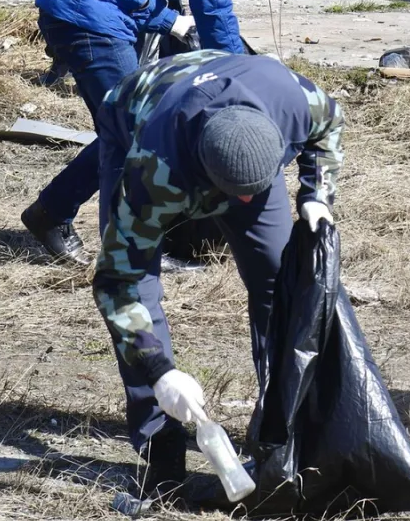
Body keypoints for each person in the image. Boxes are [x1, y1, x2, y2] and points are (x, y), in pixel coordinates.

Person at [89, 50, 342, 502]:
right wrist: (160, 370)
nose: (244, 205)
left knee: (280, 278)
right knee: (140, 283)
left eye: (255, 191)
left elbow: (330, 124)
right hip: (136, 109)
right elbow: (120, 281)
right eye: (232, 194)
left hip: (237, 98)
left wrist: (316, 192)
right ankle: (161, 448)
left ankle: (281, 431)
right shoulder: (154, 171)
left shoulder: (295, 102)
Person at [20, 0, 264, 262]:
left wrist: (168, 19)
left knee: (126, 128)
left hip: (72, 5)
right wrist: (235, 73)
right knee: (140, 133)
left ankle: (52, 213)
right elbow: (213, 4)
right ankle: (127, 253)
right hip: (90, 18)